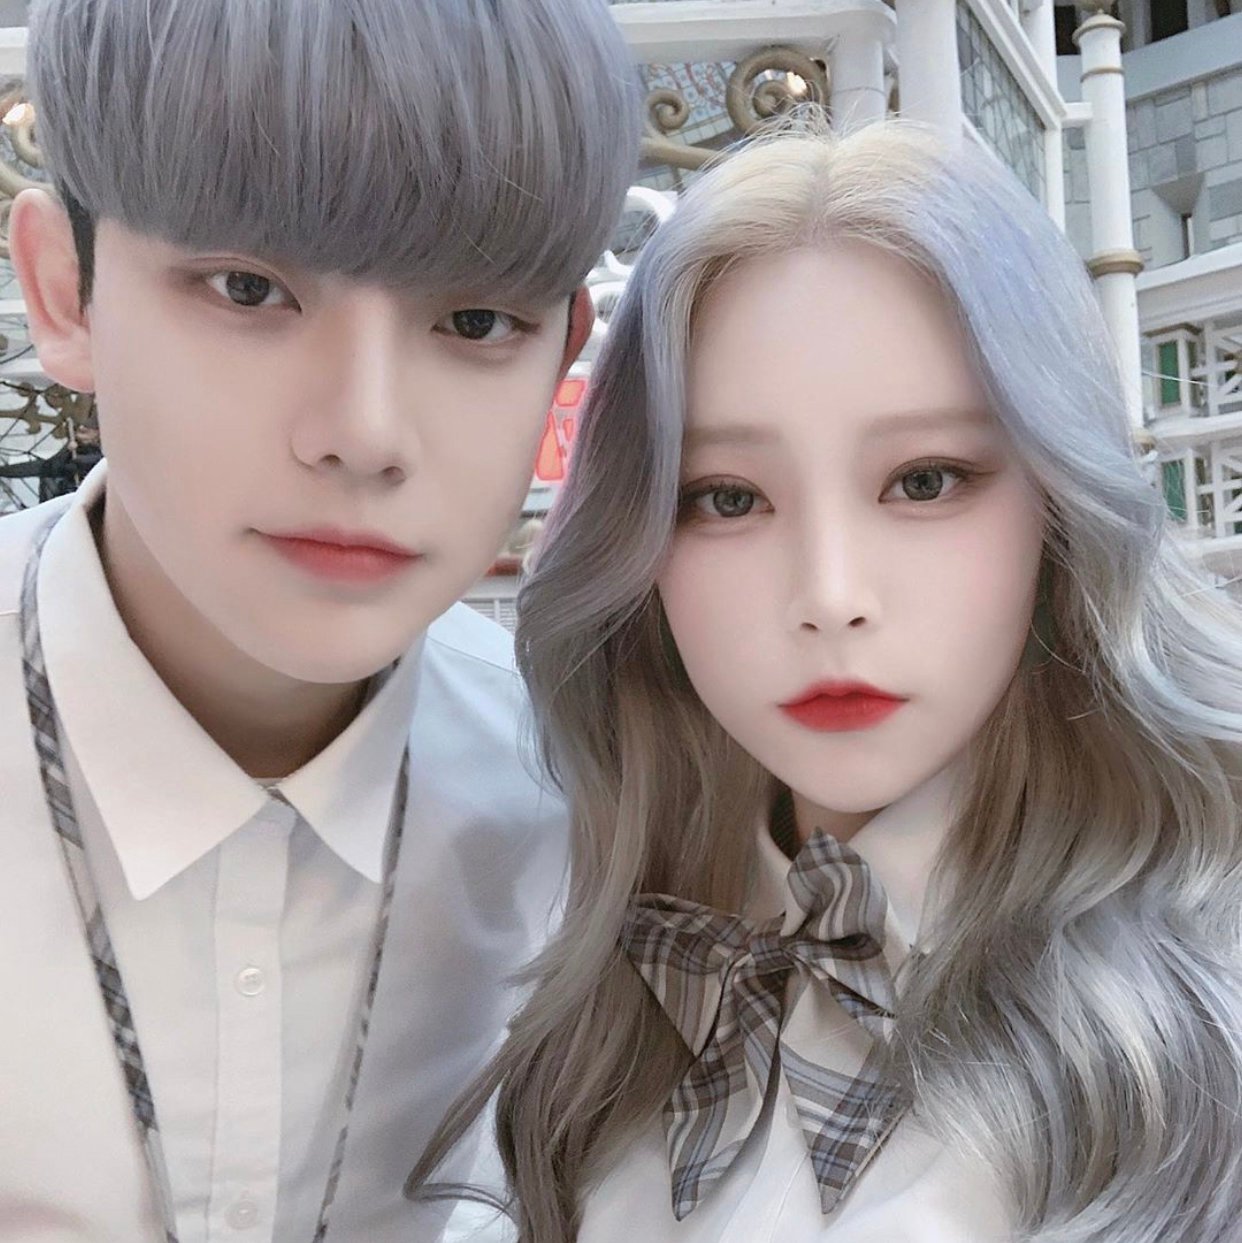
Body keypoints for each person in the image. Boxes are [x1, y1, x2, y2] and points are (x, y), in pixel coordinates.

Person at [407, 122, 1242, 1242]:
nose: (830, 594)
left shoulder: (1208, 989)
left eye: (925, 480)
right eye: (727, 498)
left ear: (1058, 504)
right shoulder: (601, 992)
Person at [0, 0, 636, 1238]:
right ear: (65, 290)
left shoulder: (588, 810)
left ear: (561, 353)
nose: (364, 430)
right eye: (249, 289)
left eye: (474, 322)